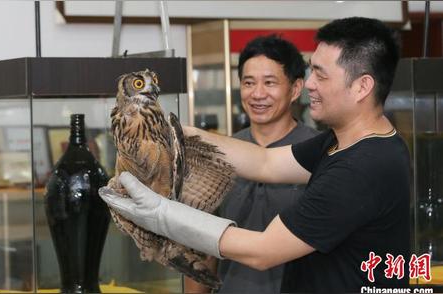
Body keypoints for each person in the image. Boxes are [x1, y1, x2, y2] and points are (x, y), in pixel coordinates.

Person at [99, 17, 410, 293]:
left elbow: (262, 251)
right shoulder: (344, 141)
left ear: (361, 87)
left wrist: (162, 216)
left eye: (320, 75)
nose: (309, 85)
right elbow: (267, 162)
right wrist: (176, 134)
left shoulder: (362, 168)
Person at [185, 35, 318, 293]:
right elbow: (202, 250)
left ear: (295, 88)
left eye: (270, 83)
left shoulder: (318, 153)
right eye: (248, 83)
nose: (258, 94)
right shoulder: (221, 153)